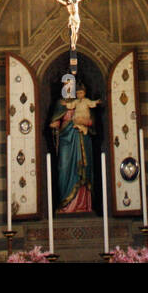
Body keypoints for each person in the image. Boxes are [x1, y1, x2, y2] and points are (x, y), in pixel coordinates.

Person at [50, 82, 99, 213]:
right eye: (66, 84)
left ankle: (83, 205)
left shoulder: (84, 102)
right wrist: (55, 124)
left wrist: (86, 122)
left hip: (82, 137)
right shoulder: (60, 103)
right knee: (64, 167)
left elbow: (93, 123)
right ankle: (65, 204)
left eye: (71, 83)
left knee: (83, 166)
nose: (69, 87)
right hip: (66, 139)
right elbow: (54, 122)